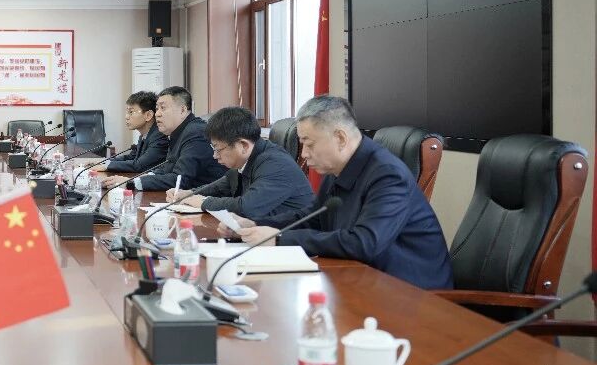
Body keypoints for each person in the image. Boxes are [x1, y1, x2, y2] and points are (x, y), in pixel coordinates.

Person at [225, 95, 452, 290]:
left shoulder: (388, 176)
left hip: (414, 294)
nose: (304, 154)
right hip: (367, 280)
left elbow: (365, 243)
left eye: (309, 144)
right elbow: (313, 217)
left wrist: (279, 239)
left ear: (340, 138)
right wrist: (255, 224)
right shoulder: (339, 169)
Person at [175, 106, 314, 219]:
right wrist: (189, 193)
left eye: (218, 149)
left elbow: (246, 208)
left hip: (293, 239)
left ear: (243, 145)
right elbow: (223, 185)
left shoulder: (276, 164)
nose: (215, 156)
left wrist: (204, 202)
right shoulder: (250, 158)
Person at [101, 86, 224, 193]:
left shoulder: (195, 133)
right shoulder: (178, 132)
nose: (157, 114)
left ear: (182, 110)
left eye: (163, 108)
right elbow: (166, 169)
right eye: (157, 108)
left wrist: (131, 183)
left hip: (209, 202)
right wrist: (133, 180)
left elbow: (180, 179)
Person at [92, 91, 167, 174]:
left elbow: (139, 165)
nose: (126, 117)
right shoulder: (145, 135)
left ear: (148, 115)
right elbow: (132, 157)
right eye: (127, 112)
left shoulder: (159, 137)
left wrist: (106, 166)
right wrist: (104, 162)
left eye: (131, 112)